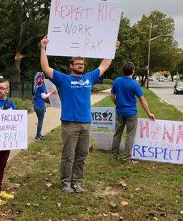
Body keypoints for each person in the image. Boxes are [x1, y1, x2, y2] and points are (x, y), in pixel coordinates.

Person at [40, 36, 120, 193]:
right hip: (69, 123)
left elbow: (104, 65)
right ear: (71, 66)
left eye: (82, 64)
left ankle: (77, 182)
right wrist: (43, 48)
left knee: (82, 154)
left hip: (86, 123)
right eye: (77, 64)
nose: (80, 66)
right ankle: (65, 183)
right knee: (68, 156)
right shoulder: (63, 79)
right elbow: (45, 68)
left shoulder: (89, 77)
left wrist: (112, 50)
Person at [110, 62, 155, 161]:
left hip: (120, 112)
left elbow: (112, 95)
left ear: (123, 71)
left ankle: (114, 154)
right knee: (130, 135)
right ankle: (126, 158)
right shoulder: (134, 84)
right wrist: (149, 113)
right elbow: (142, 100)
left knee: (117, 133)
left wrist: (117, 104)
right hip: (131, 113)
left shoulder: (117, 81)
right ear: (133, 71)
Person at [33, 72, 56, 140]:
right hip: (40, 106)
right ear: (42, 78)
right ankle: (38, 136)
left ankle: (39, 134)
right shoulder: (42, 86)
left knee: (39, 121)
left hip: (36, 106)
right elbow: (44, 97)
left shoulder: (36, 86)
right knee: (40, 121)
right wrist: (51, 92)